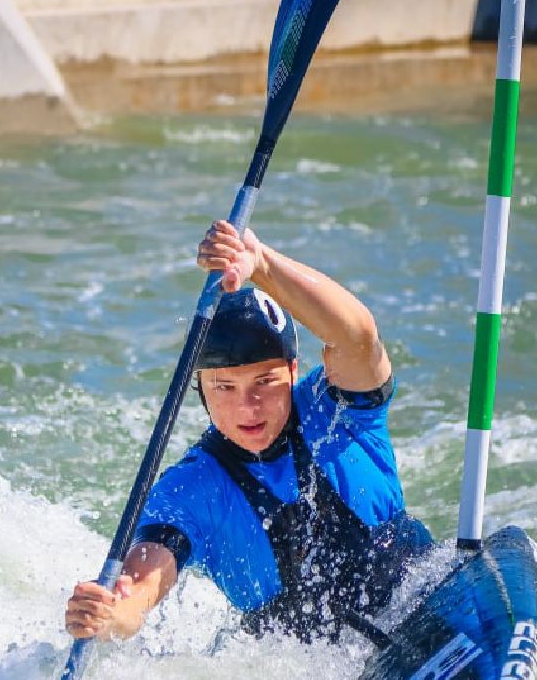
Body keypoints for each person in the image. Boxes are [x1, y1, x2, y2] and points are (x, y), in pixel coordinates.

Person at [63, 219, 433, 645]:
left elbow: (358, 337)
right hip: (320, 674)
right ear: (200, 388)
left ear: (293, 370)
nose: (248, 406)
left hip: (421, 599)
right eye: (225, 387)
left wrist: (261, 266)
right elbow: (141, 589)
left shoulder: (335, 412)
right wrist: (112, 615)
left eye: (265, 381)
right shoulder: (192, 488)